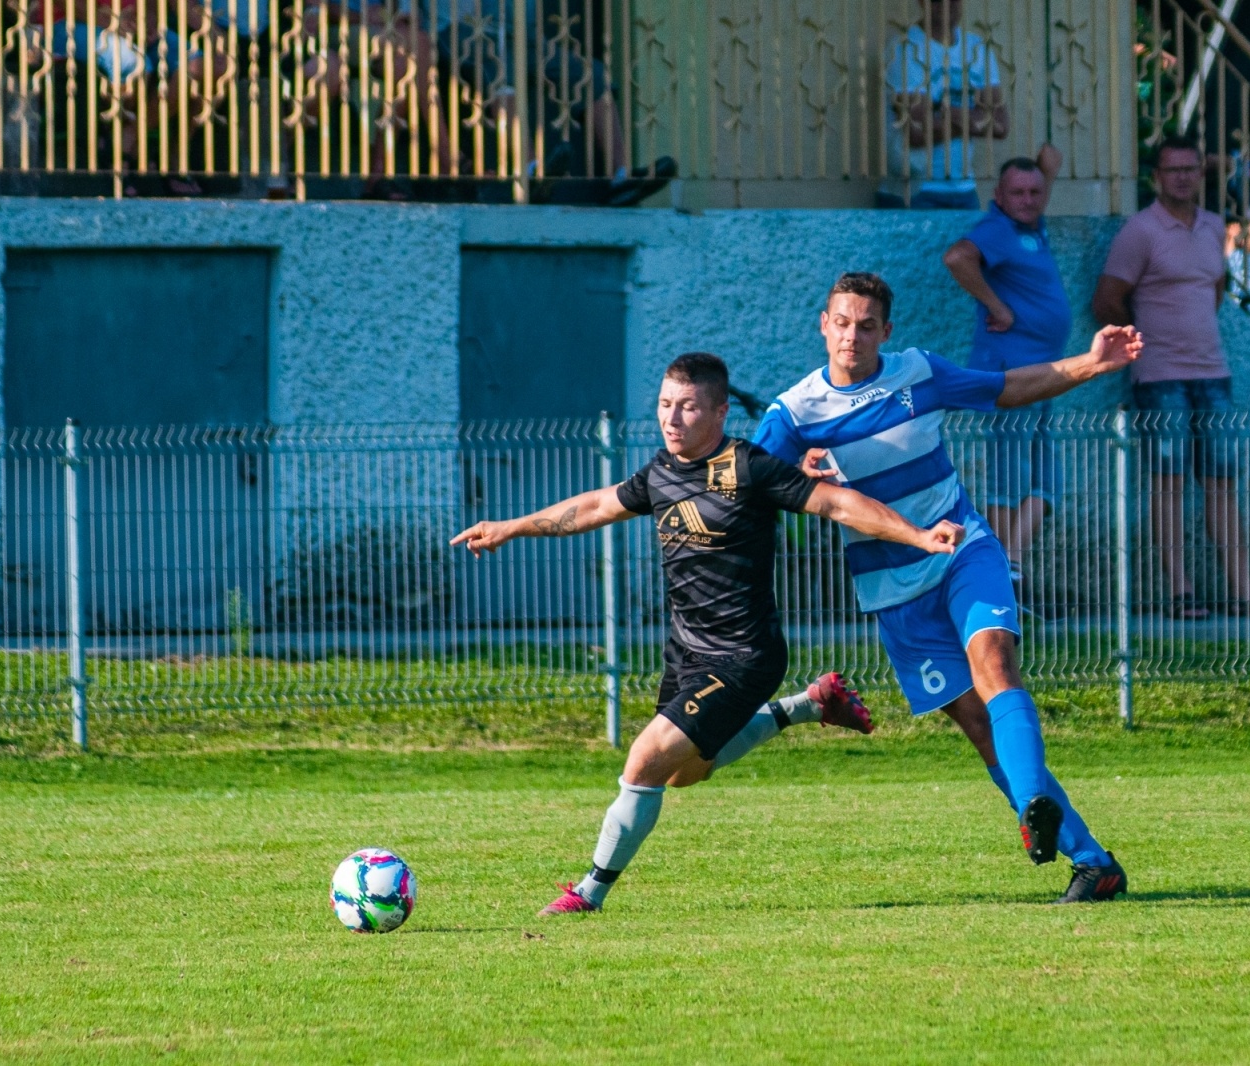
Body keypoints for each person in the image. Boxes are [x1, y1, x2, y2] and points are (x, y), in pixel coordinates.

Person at [452, 353, 967, 915]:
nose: (672, 419)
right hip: (687, 654)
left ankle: (587, 893)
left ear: (720, 411)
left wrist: (918, 537)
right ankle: (808, 706)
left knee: (643, 760)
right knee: (680, 777)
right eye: (665, 405)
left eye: (688, 406)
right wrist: (510, 527)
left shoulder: (749, 467)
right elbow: (597, 505)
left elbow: (837, 503)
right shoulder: (660, 473)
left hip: (745, 655)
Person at [754, 272, 1141, 904]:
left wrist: (1093, 365)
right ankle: (1094, 863)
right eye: (842, 323)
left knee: (996, 668)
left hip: (963, 549)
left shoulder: (918, 374)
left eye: (867, 325)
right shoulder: (794, 413)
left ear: (887, 330)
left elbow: (1007, 387)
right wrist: (796, 474)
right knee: (979, 727)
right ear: (823, 325)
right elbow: (752, 484)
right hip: (893, 589)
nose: (853, 336)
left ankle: (1035, 801)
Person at [1092, 134, 1250, 621]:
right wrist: (1144, 340)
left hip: (1213, 373)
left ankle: (1244, 592)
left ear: (1202, 173)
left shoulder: (1214, 227)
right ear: (1156, 177)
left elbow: (1215, 292)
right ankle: (1180, 592)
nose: (1182, 176)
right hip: (1159, 377)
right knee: (1169, 483)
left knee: (1223, 482)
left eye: (1190, 168)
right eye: (1172, 169)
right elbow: (1107, 298)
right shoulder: (1140, 231)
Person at [940, 145, 1070, 602]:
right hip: (1013, 374)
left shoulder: (1030, 226)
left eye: (1037, 192)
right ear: (998, 195)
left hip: (1044, 373)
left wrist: (1046, 170)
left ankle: (1008, 564)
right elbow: (957, 258)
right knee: (1011, 476)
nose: (1029, 199)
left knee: (1043, 482)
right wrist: (997, 307)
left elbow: (1033, 196)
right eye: (1018, 192)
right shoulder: (997, 229)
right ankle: (1000, 570)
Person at [878, 0, 1008, 210]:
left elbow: (1000, 126)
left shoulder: (977, 49)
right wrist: (973, 118)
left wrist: (945, 114)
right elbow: (918, 132)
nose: (947, 5)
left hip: (964, 189)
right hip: (914, 190)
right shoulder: (904, 49)